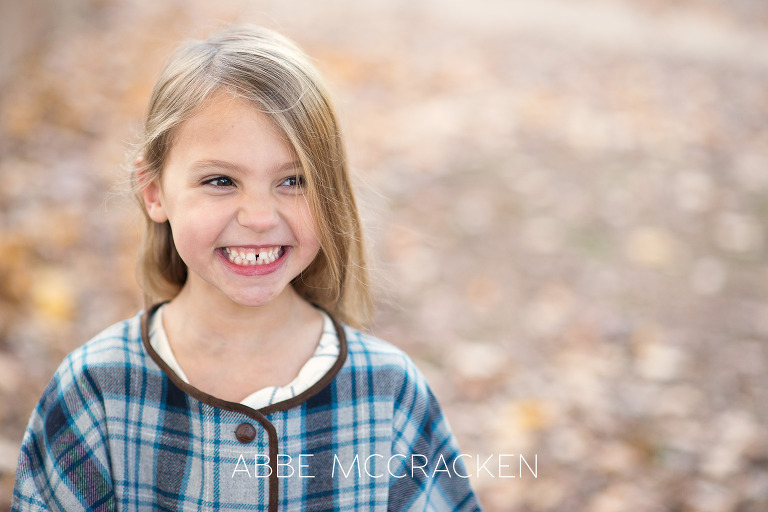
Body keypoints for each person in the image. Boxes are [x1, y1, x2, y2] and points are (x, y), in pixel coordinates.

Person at [12, 25, 481, 511]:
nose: (259, 217)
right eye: (220, 180)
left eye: (293, 180)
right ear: (154, 192)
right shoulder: (95, 391)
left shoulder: (388, 394)